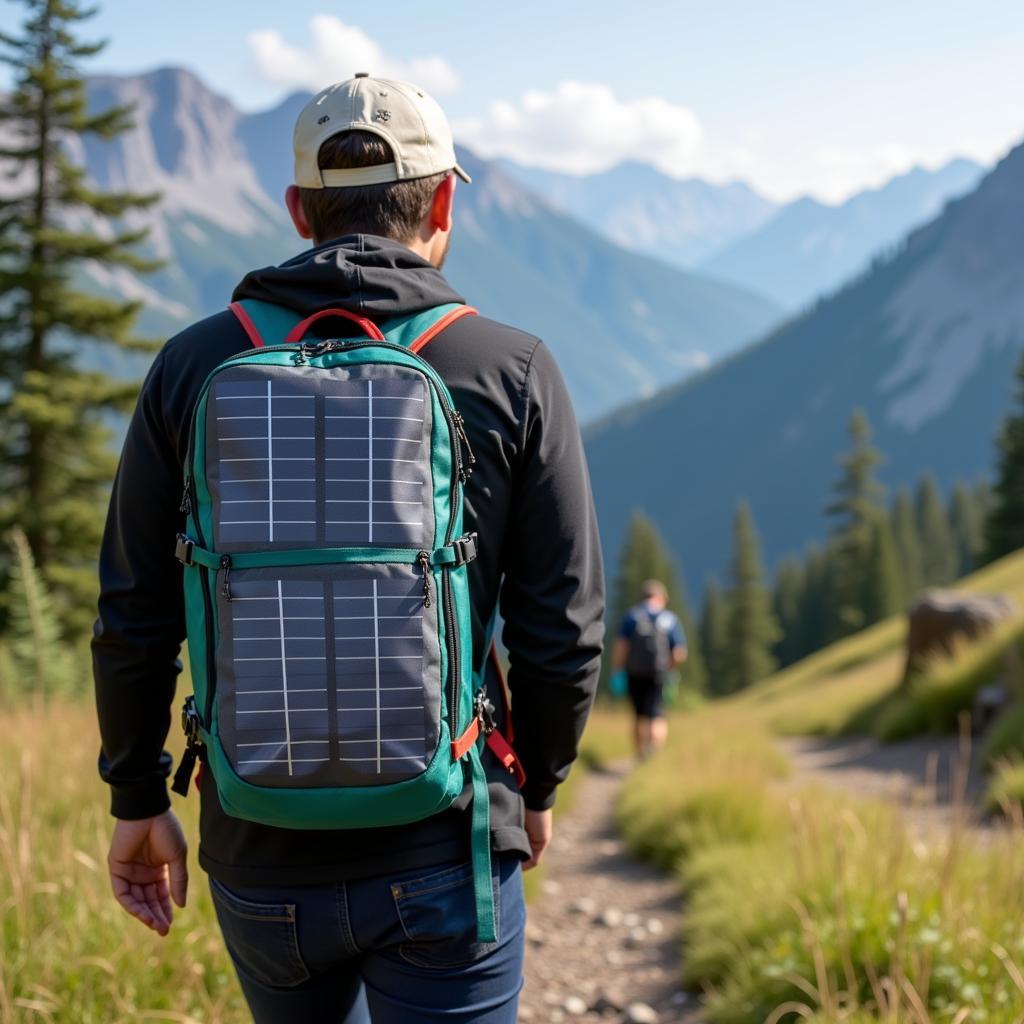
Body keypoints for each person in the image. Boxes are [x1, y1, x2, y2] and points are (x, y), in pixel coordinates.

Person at [92, 73, 604, 1024]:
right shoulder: (511, 367)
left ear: (298, 211)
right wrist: (537, 780)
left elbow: (134, 610)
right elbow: (563, 628)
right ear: (443, 200)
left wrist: (135, 794)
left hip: (258, 844)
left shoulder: (194, 365)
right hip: (448, 841)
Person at [611, 580, 686, 758]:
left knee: (639, 715)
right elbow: (679, 652)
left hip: (635, 672)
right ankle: (654, 755)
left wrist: (617, 671)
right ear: (661, 597)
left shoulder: (633, 616)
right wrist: (671, 671)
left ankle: (640, 753)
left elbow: (621, 646)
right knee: (657, 714)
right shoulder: (669, 619)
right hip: (659, 674)